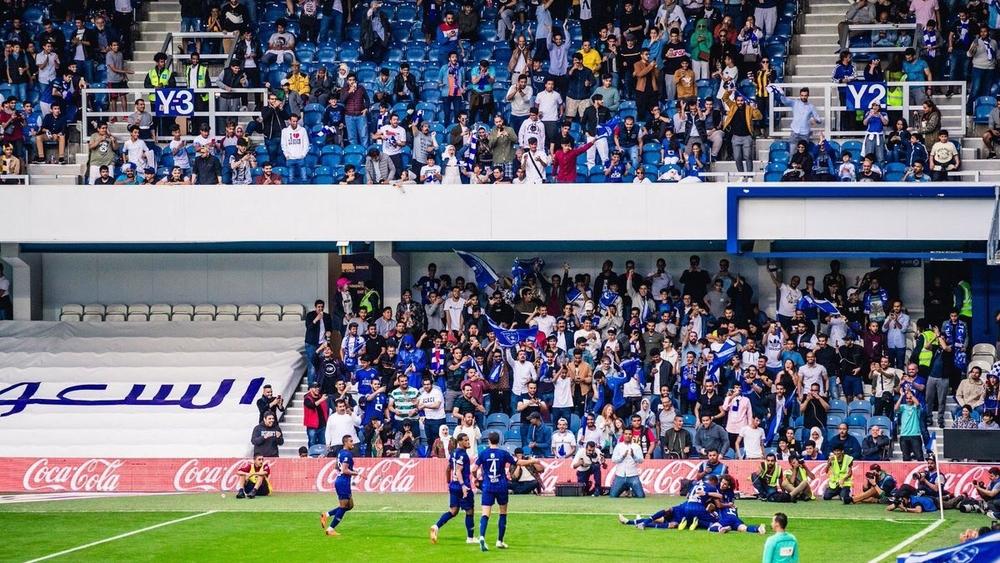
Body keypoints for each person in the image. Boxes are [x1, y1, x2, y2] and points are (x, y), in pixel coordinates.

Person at [473, 432, 536, 551]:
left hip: (488, 486)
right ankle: (499, 541)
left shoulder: (483, 453)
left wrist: (475, 476)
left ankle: (481, 536)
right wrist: (533, 461)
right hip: (501, 485)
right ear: (500, 441)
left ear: (488, 441)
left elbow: (474, 468)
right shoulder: (503, 453)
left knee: (485, 513)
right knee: (503, 513)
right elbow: (519, 462)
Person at [430, 432, 476, 544]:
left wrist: (448, 482)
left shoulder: (453, 453)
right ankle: (470, 538)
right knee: (469, 511)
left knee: (453, 511)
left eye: (468, 440)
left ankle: (436, 526)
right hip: (462, 486)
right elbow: (459, 471)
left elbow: (448, 468)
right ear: (460, 441)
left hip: (453, 486)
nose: (468, 442)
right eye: (465, 440)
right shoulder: (463, 455)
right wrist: (463, 485)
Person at [321, 435, 356, 536]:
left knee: (350, 506)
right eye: (351, 441)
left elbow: (336, 467)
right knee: (343, 506)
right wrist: (354, 473)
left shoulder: (340, 452)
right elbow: (345, 470)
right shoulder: (347, 454)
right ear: (345, 442)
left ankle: (326, 515)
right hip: (343, 482)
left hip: (342, 481)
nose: (352, 443)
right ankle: (330, 529)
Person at [610, 428, 646, 498]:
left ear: (632, 435)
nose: (628, 436)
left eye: (629, 434)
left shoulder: (636, 446)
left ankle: (630, 491)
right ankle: (625, 489)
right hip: (620, 475)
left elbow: (641, 460)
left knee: (641, 496)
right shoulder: (618, 446)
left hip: (633, 475)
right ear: (623, 435)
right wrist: (622, 456)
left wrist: (633, 456)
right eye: (626, 434)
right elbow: (613, 460)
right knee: (612, 495)